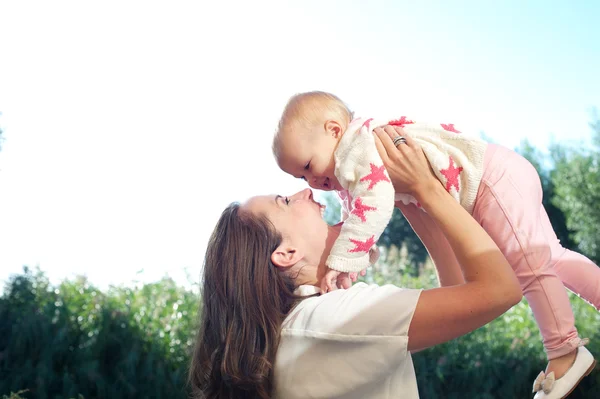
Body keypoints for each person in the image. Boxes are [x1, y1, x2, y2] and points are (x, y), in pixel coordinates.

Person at [272, 92, 598, 399]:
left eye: (308, 166)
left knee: (530, 264)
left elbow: (372, 207)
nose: (311, 184)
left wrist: (346, 258)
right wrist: (346, 266)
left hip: (489, 180)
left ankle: (564, 349)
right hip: (494, 176)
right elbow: (356, 227)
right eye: (300, 179)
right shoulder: (349, 171)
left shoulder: (359, 148)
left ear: (333, 132)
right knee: (551, 258)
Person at [189, 128, 524, 398]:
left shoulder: (305, 328)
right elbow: (500, 291)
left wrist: (410, 199)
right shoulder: (336, 319)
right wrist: (428, 187)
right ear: (286, 254)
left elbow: (459, 298)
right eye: (287, 201)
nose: (307, 192)